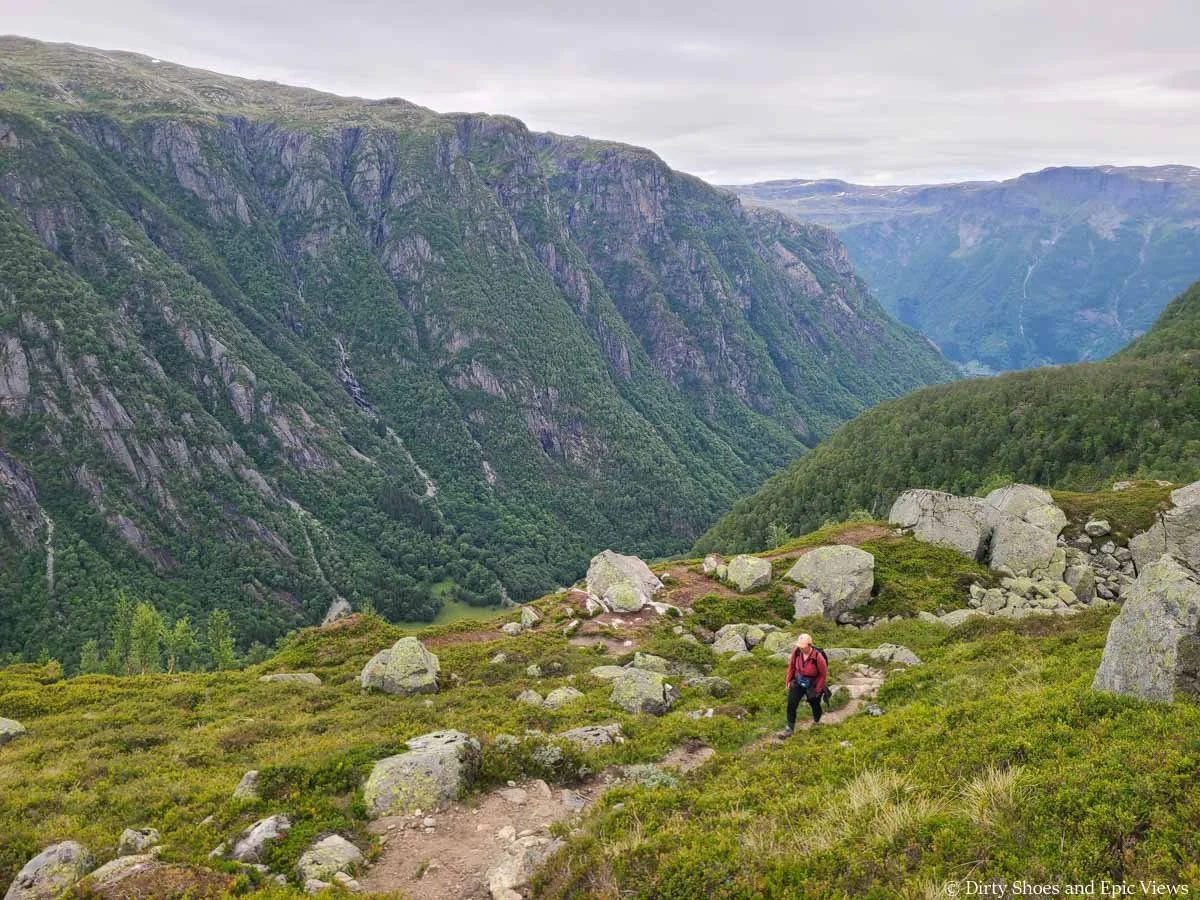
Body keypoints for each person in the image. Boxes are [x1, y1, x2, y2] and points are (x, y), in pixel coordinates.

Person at [777, 633, 827, 738]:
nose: (801, 648)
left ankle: (817, 722)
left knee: (815, 704)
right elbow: (791, 666)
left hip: (813, 684)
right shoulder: (797, 652)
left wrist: (817, 690)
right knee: (791, 704)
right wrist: (789, 681)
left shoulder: (818, 657)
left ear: (809, 645)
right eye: (800, 646)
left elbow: (823, 674)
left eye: (803, 647)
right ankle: (789, 729)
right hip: (798, 682)